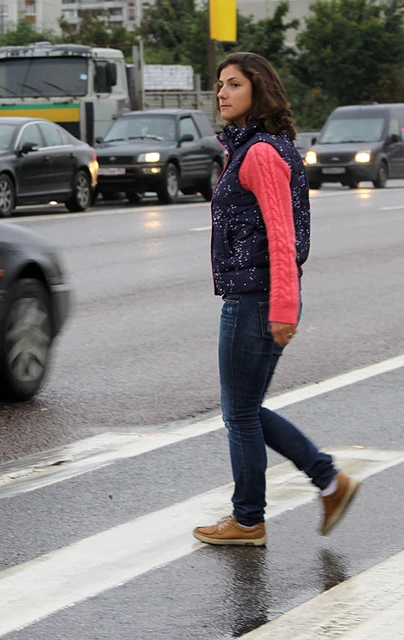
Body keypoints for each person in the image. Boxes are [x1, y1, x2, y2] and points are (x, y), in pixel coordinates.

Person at [192, 52, 360, 547]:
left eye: (233, 84)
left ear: (258, 91)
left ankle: (249, 520)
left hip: (257, 298)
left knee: (240, 413)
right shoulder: (253, 148)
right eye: (219, 84)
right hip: (254, 294)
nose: (221, 93)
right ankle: (328, 482)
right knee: (244, 408)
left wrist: (283, 308)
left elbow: (282, 236)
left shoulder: (262, 153)